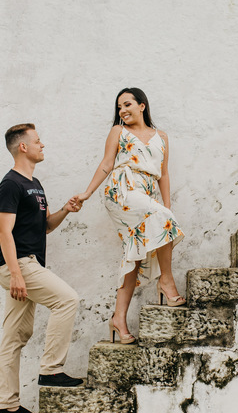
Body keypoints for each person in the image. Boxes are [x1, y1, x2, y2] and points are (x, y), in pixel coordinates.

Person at [77, 88, 186, 344]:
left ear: (142, 106)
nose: (122, 110)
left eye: (127, 104)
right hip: (122, 190)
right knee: (161, 220)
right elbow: (106, 163)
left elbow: (164, 174)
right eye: (119, 107)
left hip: (147, 193)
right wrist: (86, 193)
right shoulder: (118, 131)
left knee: (134, 252)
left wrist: (167, 207)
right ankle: (166, 282)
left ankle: (118, 319)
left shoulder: (162, 137)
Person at [0, 123, 85, 413]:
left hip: (27, 263)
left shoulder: (36, 184)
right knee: (67, 300)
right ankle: (51, 371)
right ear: (23, 147)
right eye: (37, 141)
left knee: (15, 336)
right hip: (18, 264)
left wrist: (65, 210)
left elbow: (45, 226)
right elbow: (4, 232)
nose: (42, 145)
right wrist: (17, 274)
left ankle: (8, 407)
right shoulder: (10, 184)